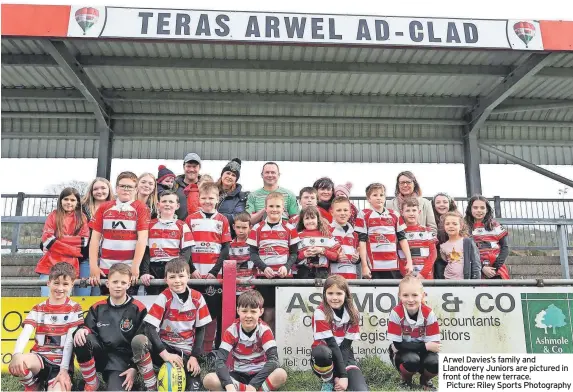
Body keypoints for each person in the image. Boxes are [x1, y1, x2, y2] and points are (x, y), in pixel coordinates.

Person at [131, 259, 212, 392]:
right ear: (166, 280)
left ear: (188, 277)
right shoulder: (164, 297)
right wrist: (165, 355)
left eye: (181, 276)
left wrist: (194, 356)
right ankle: (151, 385)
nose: (177, 280)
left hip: (185, 352)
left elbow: (200, 329)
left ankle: (185, 372)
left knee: (193, 388)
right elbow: (150, 327)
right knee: (139, 341)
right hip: (164, 348)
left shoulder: (198, 298)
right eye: (172, 277)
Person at [9, 263, 83, 392]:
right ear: (48, 283)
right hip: (39, 359)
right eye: (56, 283)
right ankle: (33, 385)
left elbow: (69, 342)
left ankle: (54, 383)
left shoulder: (75, 308)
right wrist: (16, 354)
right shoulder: (38, 308)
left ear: (72, 284)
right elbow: (25, 333)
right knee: (17, 362)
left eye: (65, 284)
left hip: (60, 365)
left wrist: (64, 370)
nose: (60, 288)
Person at [73, 263, 147, 391]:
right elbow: (88, 329)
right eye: (115, 282)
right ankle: (91, 382)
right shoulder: (97, 307)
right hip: (101, 355)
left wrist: (134, 368)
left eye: (123, 283)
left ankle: (126, 383)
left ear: (129, 284)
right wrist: (81, 330)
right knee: (80, 336)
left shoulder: (138, 308)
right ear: (107, 283)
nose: (118, 286)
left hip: (123, 362)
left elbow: (142, 341)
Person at [203, 290, 288, 392]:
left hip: (259, 374)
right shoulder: (232, 331)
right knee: (209, 379)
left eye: (253, 311)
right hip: (238, 374)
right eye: (244, 311)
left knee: (281, 374)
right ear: (238, 310)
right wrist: (228, 384)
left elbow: (273, 361)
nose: (248, 315)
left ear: (261, 312)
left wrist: (253, 385)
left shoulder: (264, 330)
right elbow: (220, 361)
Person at [185, 182, 232, 353]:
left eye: (211, 198)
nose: (207, 201)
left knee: (212, 314)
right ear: (199, 199)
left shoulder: (222, 220)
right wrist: (191, 269)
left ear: (217, 199)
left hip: (214, 276)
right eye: (204, 198)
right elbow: (186, 247)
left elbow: (225, 249)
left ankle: (209, 351)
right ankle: (192, 350)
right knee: (193, 312)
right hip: (194, 275)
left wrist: (214, 271)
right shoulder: (190, 219)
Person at [89, 171, 150, 296]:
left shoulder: (141, 208)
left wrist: (135, 266)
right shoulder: (104, 207)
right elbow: (95, 238)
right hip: (106, 268)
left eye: (130, 187)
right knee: (107, 305)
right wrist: (93, 266)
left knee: (127, 308)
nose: (126, 189)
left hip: (128, 269)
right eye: (122, 186)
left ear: (136, 189)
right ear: (116, 188)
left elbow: (142, 239)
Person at [247, 192, 300, 330]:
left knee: (284, 315)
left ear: (283, 209)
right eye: (271, 206)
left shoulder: (290, 228)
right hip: (264, 277)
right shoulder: (257, 228)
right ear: (265, 208)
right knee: (268, 314)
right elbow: (252, 254)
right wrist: (264, 268)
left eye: (278, 206)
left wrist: (287, 267)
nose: (274, 209)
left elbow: (294, 253)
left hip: (285, 277)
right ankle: (269, 347)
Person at [310, 275, 367, 392]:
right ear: (324, 294)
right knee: (322, 353)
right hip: (325, 355)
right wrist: (343, 376)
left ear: (346, 294)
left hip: (344, 354)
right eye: (330, 293)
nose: (334, 298)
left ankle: (336, 378)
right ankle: (328, 380)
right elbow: (332, 345)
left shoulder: (354, 313)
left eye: (339, 294)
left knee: (361, 390)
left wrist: (342, 376)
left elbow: (346, 347)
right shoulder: (320, 312)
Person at [387, 275, 441, 390]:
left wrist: (426, 347)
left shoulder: (429, 313)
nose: (410, 300)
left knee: (436, 362)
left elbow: (434, 346)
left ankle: (425, 380)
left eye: (415, 295)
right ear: (399, 296)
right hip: (403, 353)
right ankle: (406, 380)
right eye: (405, 295)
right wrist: (425, 346)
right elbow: (398, 345)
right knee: (412, 360)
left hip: (418, 351)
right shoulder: (396, 313)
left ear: (422, 295)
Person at [140, 190, 196, 295]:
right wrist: (145, 272)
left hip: (173, 270)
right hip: (153, 269)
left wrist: (176, 272)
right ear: (158, 204)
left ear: (177, 205)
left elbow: (186, 253)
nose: (167, 204)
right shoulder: (149, 225)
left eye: (171, 202)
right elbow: (145, 251)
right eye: (164, 201)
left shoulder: (182, 225)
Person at [37, 187, 90, 296]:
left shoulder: (82, 218)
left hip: (70, 266)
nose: (69, 202)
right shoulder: (53, 215)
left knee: (64, 299)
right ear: (60, 200)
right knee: (47, 298)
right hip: (49, 265)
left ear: (77, 202)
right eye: (66, 199)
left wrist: (57, 239)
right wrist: (73, 250)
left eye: (72, 200)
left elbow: (84, 242)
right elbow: (47, 241)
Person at [356, 183, 413, 279]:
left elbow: (402, 239)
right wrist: (364, 266)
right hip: (373, 267)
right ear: (368, 199)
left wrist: (409, 262)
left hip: (393, 266)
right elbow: (362, 241)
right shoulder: (363, 214)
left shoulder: (394, 214)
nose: (379, 198)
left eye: (381, 195)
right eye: (375, 195)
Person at [81, 177, 114, 295]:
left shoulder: (116, 208)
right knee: (83, 293)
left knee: (98, 296)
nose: (99, 191)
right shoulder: (82, 209)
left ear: (109, 190)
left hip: (107, 259)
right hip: (87, 258)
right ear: (91, 191)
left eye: (103, 188)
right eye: (96, 189)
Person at [465, 195, 510, 280]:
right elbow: (466, 251)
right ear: (470, 209)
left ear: (487, 209)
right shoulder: (465, 228)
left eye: (482, 208)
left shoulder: (495, 225)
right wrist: (482, 267)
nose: (479, 210)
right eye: (475, 207)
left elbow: (505, 248)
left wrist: (495, 268)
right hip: (475, 269)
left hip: (496, 269)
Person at [296, 206, 340, 279]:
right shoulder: (297, 237)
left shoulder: (327, 235)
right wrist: (304, 254)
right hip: (303, 272)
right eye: (307, 218)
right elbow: (293, 258)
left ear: (318, 219)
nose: (310, 221)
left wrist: (322, 251)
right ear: (302, 220)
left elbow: (336, 256)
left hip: (322, 272)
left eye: (313, 218)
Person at [399, 198, 437, 279]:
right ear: (402, 212)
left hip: (425, 277)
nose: (411, 213)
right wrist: (405, 273)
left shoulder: (427, 231)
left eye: (414, 210)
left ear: (419, 212)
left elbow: (433, 254)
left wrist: (423, 274)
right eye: (408, 210)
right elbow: (397, 256)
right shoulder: (399, 233)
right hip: (406, 277)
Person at [440, 212, 481, 280]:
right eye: (447, 224)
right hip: (448, 280)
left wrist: (475, 283)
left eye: (455, 224)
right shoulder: (443, 246)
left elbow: (476, 263)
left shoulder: (467, 242)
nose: (451, 226)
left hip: (465, 281)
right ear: (444, 227)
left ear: (461, 227)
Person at [216, 158, 249, 236]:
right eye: (228, 173)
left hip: (228, 235)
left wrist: (214, 216)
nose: (230, 177)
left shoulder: (240, 197)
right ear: (222, 174)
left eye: (233, 175)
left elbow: (238, 217)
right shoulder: (211, 191)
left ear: (236, 179)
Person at [330, 196, 360, 279]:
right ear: (332, 212)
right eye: (339, 210)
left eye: (345, 210)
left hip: (352, 279)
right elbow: (323, 254)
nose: (342, 213)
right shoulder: (327, 231)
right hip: (332, 280)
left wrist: (357, 259)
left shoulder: (355, 234)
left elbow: (358, 257)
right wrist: (336, 258)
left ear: (350, 213)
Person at [431, 193, 458, 280]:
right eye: (438, 202)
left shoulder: (458, 219)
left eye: (445, 202)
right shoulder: (431, 221)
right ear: (434, 205)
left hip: (455, 257)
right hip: (438, 259)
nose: (441, 204)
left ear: (450, 204)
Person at [227, 212, 255, 296]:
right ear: (233, 227)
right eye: (238, 227)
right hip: (233, 289)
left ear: (250, 227)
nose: (241, 230)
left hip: (251, 288)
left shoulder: (254, 245)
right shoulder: (228, 246)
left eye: (244, 227)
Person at [173, 152, 203, 220]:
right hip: (178, 227)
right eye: (188, 166)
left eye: (194, 166)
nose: (191, 170)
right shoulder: (174, 186)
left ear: (199, 168)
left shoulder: (205, 187)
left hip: (199, 227)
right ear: (184, 167)